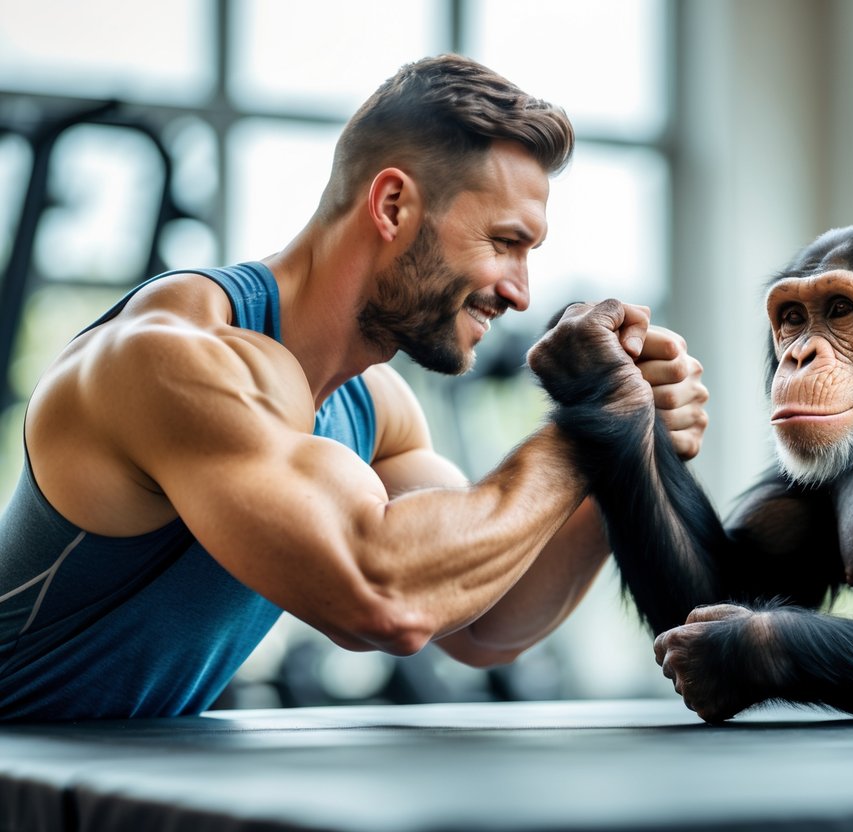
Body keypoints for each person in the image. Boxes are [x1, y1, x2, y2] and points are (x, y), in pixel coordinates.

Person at [0, 54, 708, 721]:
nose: (520, 293)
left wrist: (621, 453)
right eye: (504, 243)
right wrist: (591, 428)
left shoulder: (373, 406)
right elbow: (384, 597)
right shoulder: (170, 359)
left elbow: (482, 622)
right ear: (394, 206)